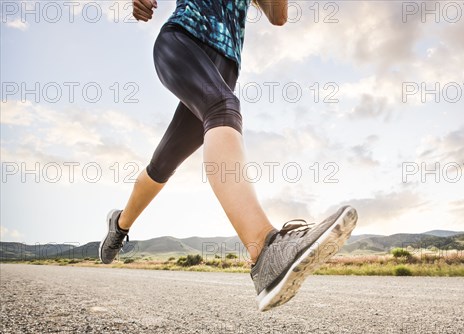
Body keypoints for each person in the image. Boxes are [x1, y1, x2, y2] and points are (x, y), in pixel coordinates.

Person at [99, 0, 357, 312]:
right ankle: (264, 249)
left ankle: (120, 224)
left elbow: (278, 17)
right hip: (183, 40)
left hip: (225, 68)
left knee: (164, 162)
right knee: (224, 108)